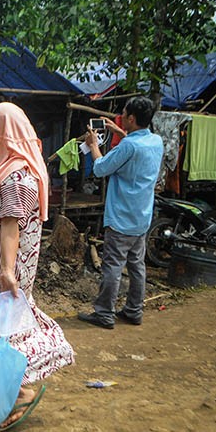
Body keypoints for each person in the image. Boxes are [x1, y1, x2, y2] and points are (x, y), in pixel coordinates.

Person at [0, 103, 74, 429]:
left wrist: (6, 271)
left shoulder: (16, 176)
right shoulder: (3, 168)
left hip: (0, 275)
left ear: (1, 134)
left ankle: (19, 394)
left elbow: (10, 226)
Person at [79, 96, 164, 329]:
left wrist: (94, 145)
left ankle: (104, 313)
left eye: (124, 114)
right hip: (142, 216)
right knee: (137, 265)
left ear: (132, 118)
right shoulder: (155, 141)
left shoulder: (129, 145)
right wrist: (119, 130)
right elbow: (135, 149)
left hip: (121, 217)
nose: (121, 117)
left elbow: (100, 168)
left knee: (113, 266)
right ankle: (134, 310)